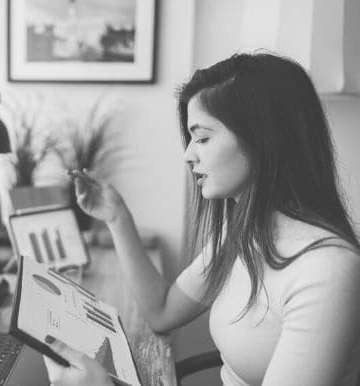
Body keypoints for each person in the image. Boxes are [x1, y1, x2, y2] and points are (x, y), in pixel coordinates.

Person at [45, 52, 360, 386]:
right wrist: (117, 216)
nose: (188, 155)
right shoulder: (241, 234)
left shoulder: (326, 272)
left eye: (203, 137)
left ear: (263, 139)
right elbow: (162, 312)